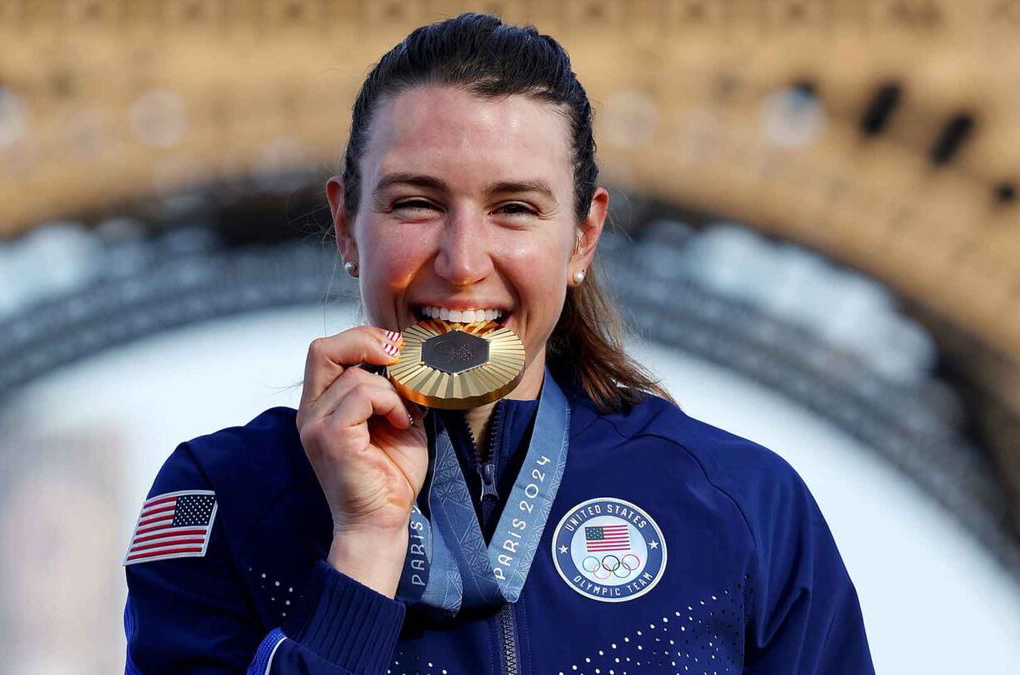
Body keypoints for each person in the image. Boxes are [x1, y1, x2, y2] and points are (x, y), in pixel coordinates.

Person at [122, 12, 873, 675]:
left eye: (514, 208)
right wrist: (363, 547)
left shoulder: (749, 506)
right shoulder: (221, 501)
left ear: (584, 235)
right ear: (348, 222)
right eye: (415, 202)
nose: (462, 260)